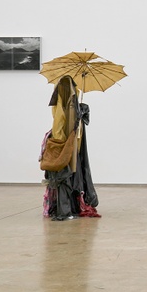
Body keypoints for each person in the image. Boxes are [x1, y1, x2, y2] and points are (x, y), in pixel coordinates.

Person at [41, 75, 100, 220]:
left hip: (70, 143)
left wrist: (79, 112)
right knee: (67, 175)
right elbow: (59, 122)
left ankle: (69, 207)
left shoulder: (68, 99)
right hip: (66, 142)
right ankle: (67, 207)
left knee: (70, 174)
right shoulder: (65, 98)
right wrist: (61, 140)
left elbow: (61, 121)